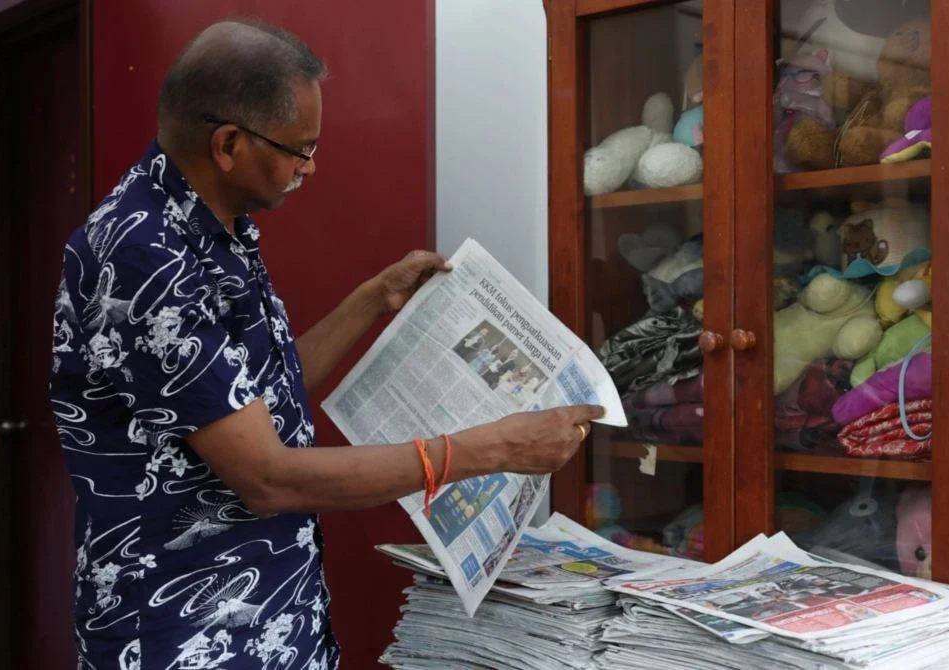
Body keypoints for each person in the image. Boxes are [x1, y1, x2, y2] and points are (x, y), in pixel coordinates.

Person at [49, 19, 602, 670]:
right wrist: (488, 449)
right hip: (184, 631)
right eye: (299, 149)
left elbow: (249, 396)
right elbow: (265, 477)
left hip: (273, 612)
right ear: (228, 144)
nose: (311, 167)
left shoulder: (215, 229)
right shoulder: (146, 255)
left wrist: (372, 300)